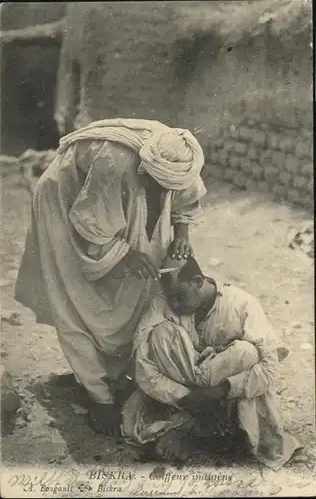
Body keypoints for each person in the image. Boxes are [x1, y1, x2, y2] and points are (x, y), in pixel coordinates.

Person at [14, 118, 206, 435]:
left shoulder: (181, 156)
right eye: (160, 187)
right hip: (65, 200)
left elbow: (185, 197)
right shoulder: (115, 164)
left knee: (139, 285)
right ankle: (97, 396)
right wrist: (125, 254)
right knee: (75, 297)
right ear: (147, 171)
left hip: (107, 205)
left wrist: (182, 232)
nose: (165, 195)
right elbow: (88, 223)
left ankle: (117, 372)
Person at [122, 255, 302, 470]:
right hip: (184, 398)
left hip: (229, 397)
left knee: (247, 353)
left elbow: (270, 370)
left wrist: (221, 390)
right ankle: (199, 427)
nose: (175, 305)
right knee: (160, 334)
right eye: (170, 299)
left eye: (180, 296)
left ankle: (211, 431)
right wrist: (189, 400)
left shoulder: (242, 304)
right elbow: (143, 369)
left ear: (198, 281)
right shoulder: (162, 301)